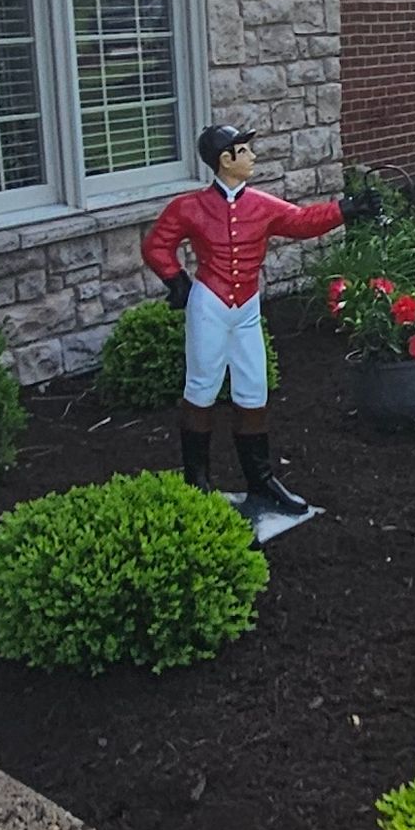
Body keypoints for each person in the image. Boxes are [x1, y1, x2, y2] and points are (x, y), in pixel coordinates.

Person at [140, 121, 343, 537]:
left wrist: (345, 210)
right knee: (201, 388)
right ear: (226, 160)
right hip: (210, 305)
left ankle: (261, 480)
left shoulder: (262, 205)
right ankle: (197, 481)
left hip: (246, 306)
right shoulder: (189, 207)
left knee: (254, 389)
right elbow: (156, 243)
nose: (252, 158)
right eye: (245, 151)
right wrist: (175, 279)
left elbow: (302, 221)